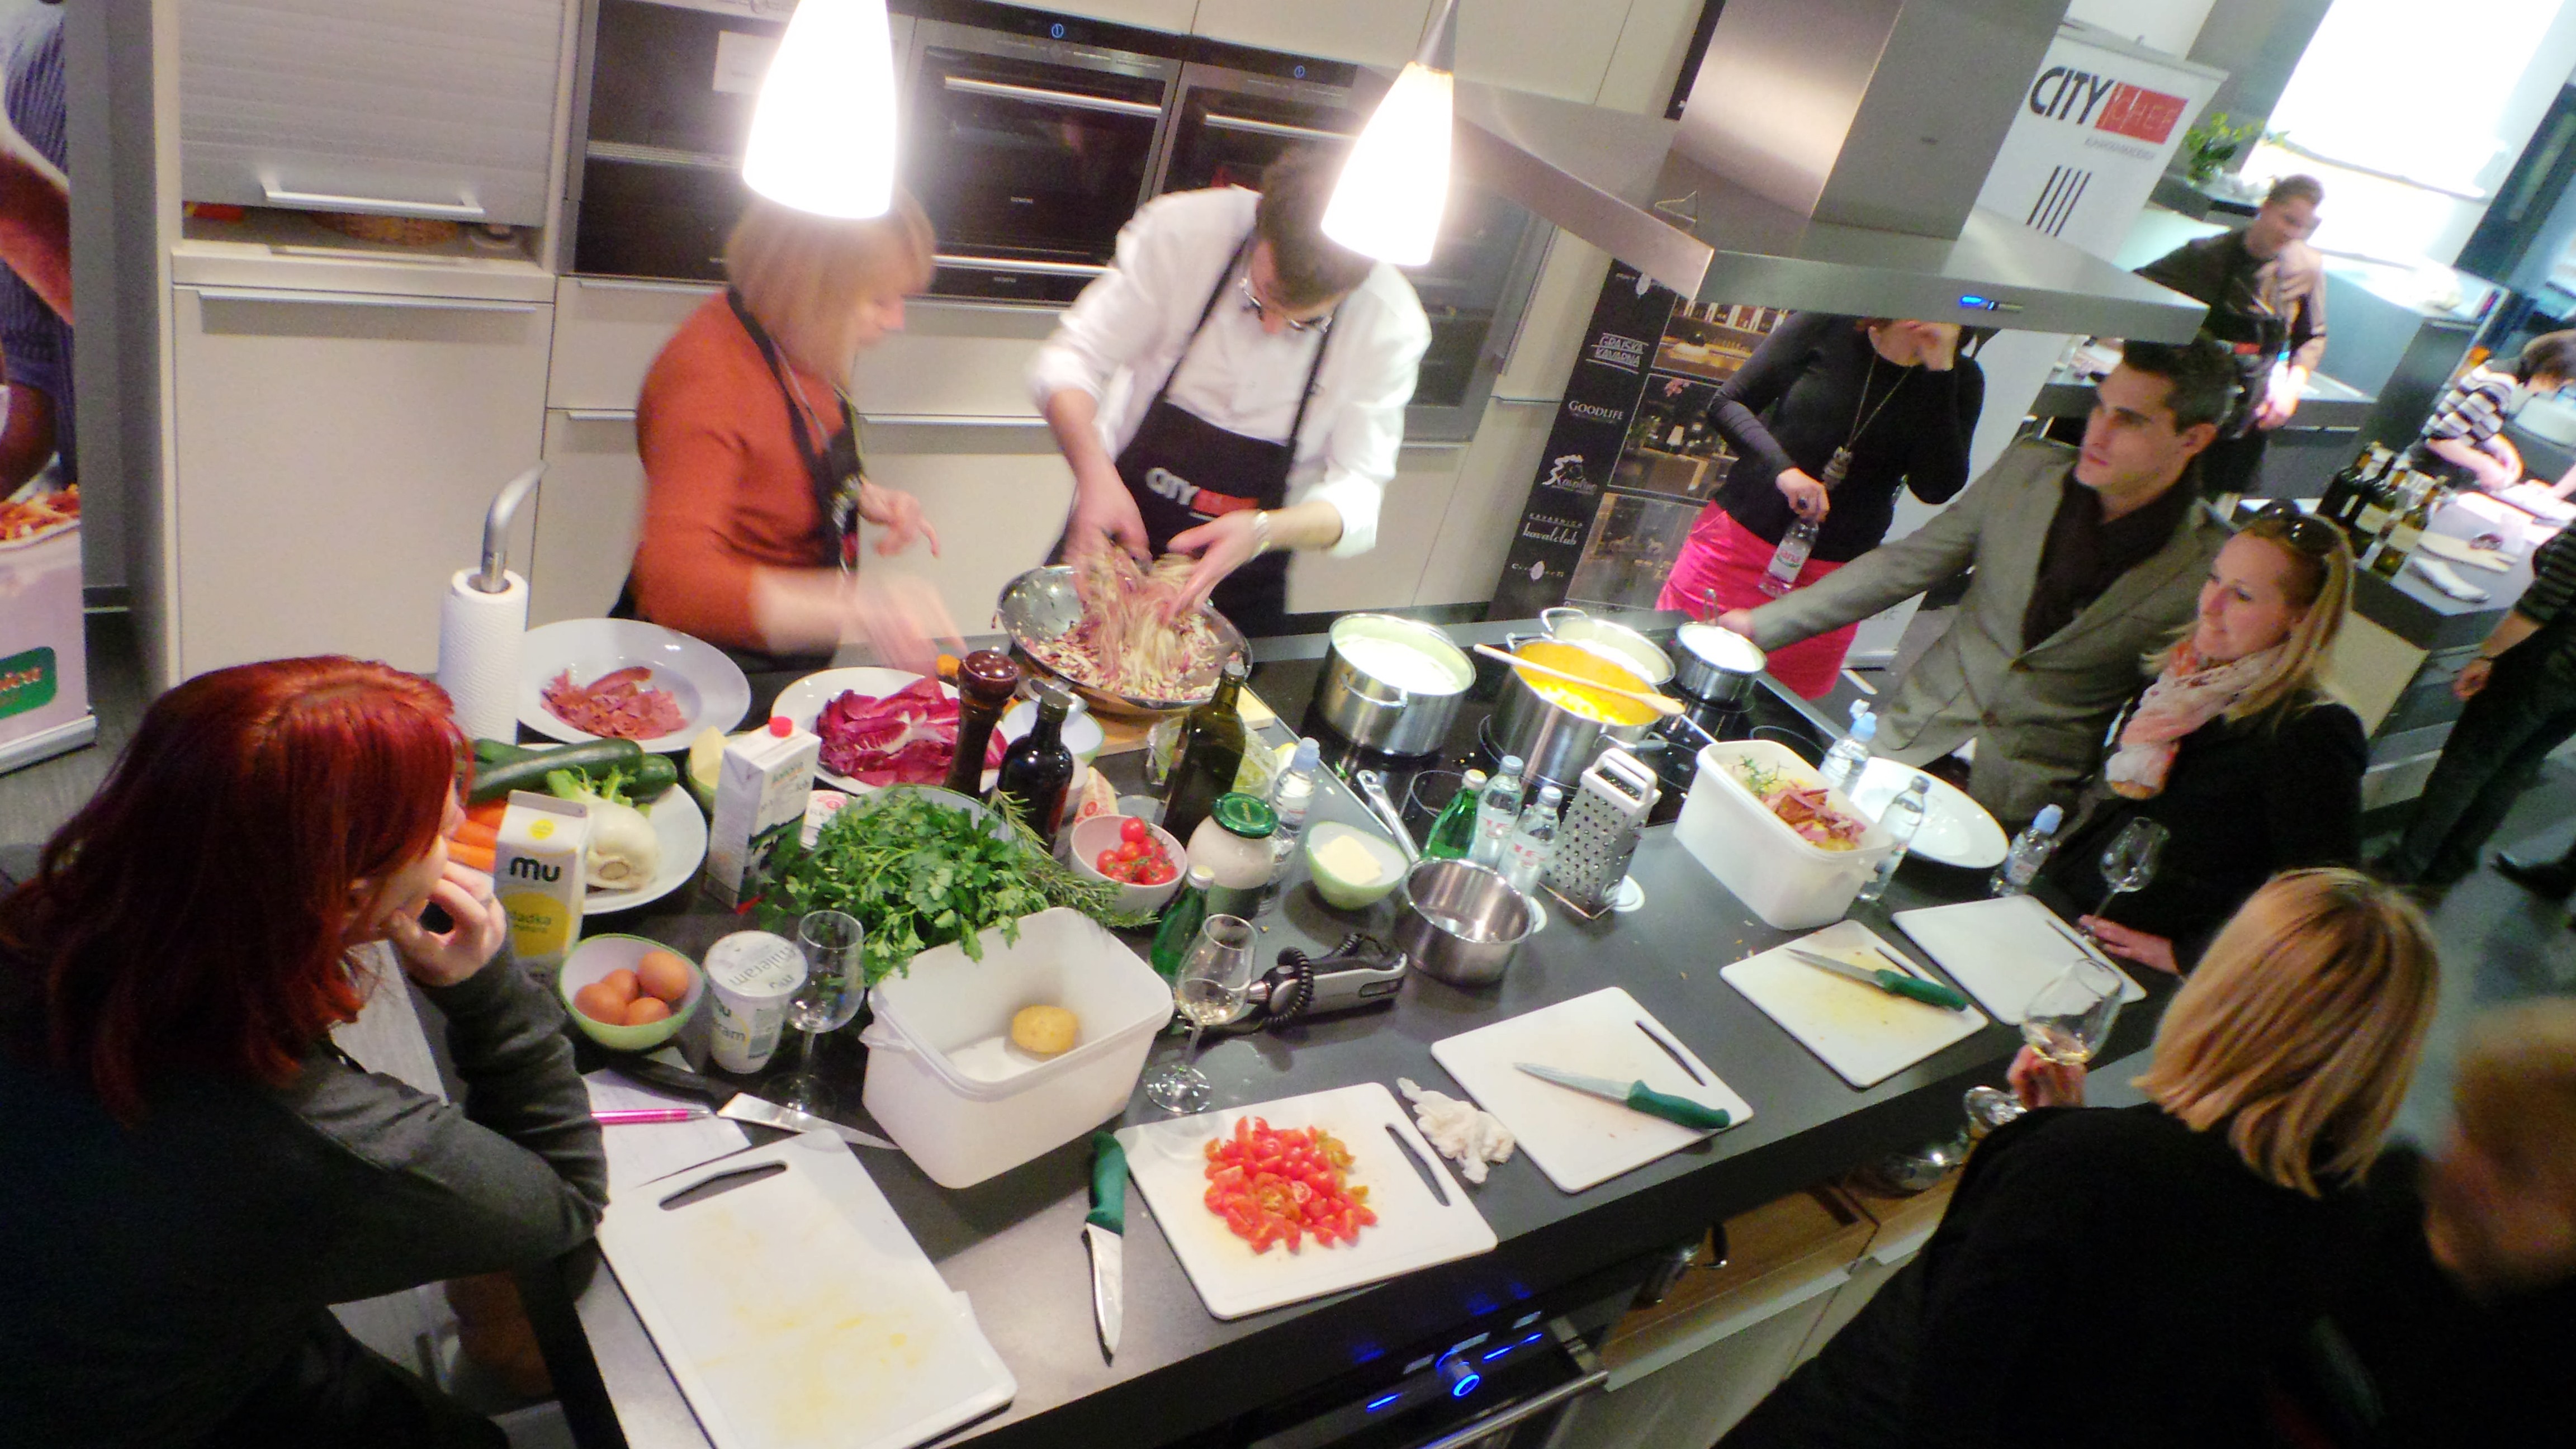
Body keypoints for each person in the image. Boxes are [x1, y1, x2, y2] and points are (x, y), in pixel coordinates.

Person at [0, 658, 608, 1447]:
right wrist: (488, 993)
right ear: (347, 901)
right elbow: (561, 1199)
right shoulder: (321, 1141)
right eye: (436, 827)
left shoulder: (24, 888)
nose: (460, 823)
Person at [1716, 868, 2440, 1449]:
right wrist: (2064, 1132)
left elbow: (1948, 1392)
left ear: (2226, 993)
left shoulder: (2078, 1168)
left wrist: (2051, 1145)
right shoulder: (2344, 1219)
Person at [1718, 339, 2237, 825]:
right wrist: (1759, 626)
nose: (2097, 433)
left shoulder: (2210, 565)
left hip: (2023, 800)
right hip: (1905, 747)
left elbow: (2159, 720)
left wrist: (2076, 826)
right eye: (2101, 407)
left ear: (2193, 438)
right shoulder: (2027, 471)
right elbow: (1905, 565)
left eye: (2131, 420)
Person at [1028, 148, 1431, 637]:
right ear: (1262, 226)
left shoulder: (1389, 322)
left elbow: (1360, 493)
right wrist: (1094, 476)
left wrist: (1264, 531)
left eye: (1306, 323)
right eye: (1260, 298)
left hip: (1240, 587)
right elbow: (1070, 360)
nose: (1271, 328)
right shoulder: (1184, 233)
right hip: (1109, 544)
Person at [630, 193, 956, 665]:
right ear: (805, 288)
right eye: (879, 300)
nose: (897, 321)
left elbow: (779, 455)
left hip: (789, 654)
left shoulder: (798, 337)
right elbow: (673, 587)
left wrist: (858, 492)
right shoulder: (708, 380)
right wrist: (860, 607)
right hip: (713, 665)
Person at [2035, 505, 2364, 974]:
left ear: (2301, 617)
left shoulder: (2313, 730)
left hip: (2131, 962)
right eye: (2214, 579)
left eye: (2242, 596)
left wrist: (2188, 956)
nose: (2210, 605)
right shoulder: (2186, 675)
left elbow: (2325, 904)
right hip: (2071, 902)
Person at [2286, 1001, 2576, 1445]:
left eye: (2513, 1167)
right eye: (2470, 1125)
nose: (2468, 1167)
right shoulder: (2378, 1193)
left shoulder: (2547, 1382)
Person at [1652, 312, 1985, 697]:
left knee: (1777, 709)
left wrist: (1940, 370)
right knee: (1673, 676)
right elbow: (1728, 403)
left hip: (1830, 587)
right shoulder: (1826, 327)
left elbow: (1936, 487)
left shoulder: (1959, 378)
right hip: (1735, 549)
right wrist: (1783, 471)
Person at [2374, 514, 2576, 890]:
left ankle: (2405, 865)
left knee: (2470, 761)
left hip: (2547, 660)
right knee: (2517, 766)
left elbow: (2543, 601)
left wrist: (2488, 655)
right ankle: (2448, 869)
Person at [2134, 174, 2328, 498]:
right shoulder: (2205, 255)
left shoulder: (2306, 268)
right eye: (2288, 220)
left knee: (2207, 510)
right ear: (2266, 207)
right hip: (2188, 404)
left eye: (2301, 228)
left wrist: (2291, 389)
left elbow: (2312, 336)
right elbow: (2139, 288)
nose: (2291, 233)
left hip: (2247, 414)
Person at [2398, 330, 2576, 494]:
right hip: (2425, 473)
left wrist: (2500, 446)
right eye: (2559, 384)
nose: (2553, 390)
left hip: (2424, 466)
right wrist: (2486, 466)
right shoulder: (2500, 386)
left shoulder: (2496, 368)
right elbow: (2440, 439)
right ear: (2550, 373)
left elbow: (2465, 421)